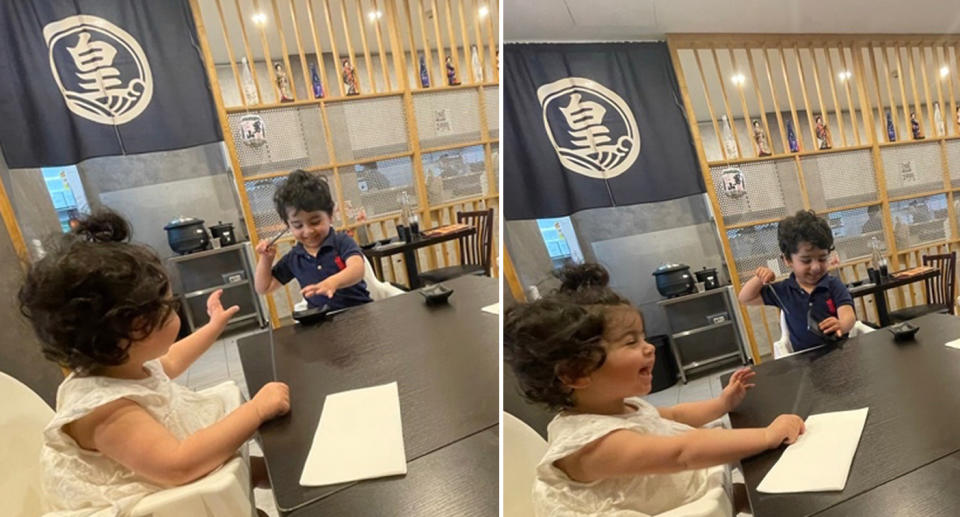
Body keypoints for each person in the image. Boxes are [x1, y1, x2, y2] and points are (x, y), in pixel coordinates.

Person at [19, 211, 290, 515]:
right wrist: (255, 410)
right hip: (154, 504)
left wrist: (213, 326)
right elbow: (179, 465)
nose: (175, 312)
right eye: (169, 307)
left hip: (165, 478)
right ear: (135, 328)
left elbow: (171, 359)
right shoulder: (106, 411)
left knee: (263, 473)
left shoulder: (123, 365)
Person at [505, 263, 805, 516]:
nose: (649, 348)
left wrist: (721, 404)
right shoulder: (591, 446)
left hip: (690, 497)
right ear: (577, 373)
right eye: (630, 342)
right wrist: (767, 436)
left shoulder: (618, 406)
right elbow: (681, 453)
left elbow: (673, 415)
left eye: (643, 337)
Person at [255, 169, 372, 310]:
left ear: (330, 216)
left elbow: (358, 269)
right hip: (321, 322)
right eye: (298, 225)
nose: (308, 231)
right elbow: (264, 288)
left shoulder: (341, 241)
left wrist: (332, 282)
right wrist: (265, 260)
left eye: (315, 222)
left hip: (358, 312)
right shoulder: (294, 258)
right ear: (288, 226)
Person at [739, 210, 855, 350]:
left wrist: (842, 324)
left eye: (822, 258)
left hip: (839, 351)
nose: (816, 267)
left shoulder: (833, 285)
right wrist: (759, 278)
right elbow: (745, 298)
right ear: (787, 260)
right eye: (806, 260)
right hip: (805, 360)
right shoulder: (784, 290)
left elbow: (848, 314)